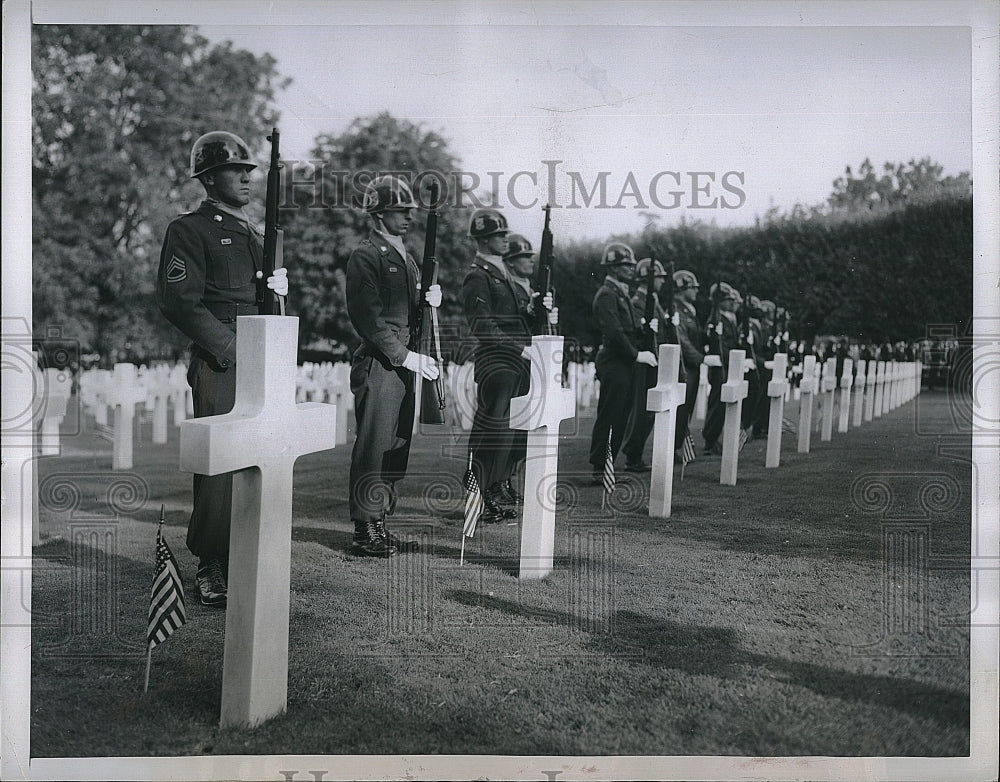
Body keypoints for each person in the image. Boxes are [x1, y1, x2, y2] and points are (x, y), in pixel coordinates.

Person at [156, 130, 289, 606]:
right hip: (223, 359)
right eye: (237, 170)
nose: (247, 178)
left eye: (250, 170)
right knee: (220, 465)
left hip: (264, 357)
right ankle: (212, 559)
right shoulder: (189, 230)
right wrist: (233, 348)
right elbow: (180, 302)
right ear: (210, 179)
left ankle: (249, 551)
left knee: (261, 458)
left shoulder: (260, 233)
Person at [345, 175, 442, 557]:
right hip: (382, 363)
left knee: (396, 444)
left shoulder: (409, 261)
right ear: (379, 213)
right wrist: (405, 356)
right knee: (374, 445)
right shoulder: (366, 255)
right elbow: (367, 319)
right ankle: (364, 526)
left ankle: (381, 520)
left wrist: (429, 298)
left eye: (409, 211)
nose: (408, 217)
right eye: (400, 211)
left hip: (404, 363)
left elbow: (412, 313)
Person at [462, 214, 554, 523]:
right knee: (493, 431)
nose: (505, 238)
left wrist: (535, 310)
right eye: (498, 234)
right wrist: (518, 347)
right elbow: (482, 324)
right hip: (496, 365)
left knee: (509, 432)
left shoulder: (500, 272)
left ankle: (493, 490)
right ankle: (480, 495)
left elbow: (514, 319)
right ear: (483, 239)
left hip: (514, 365)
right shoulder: (479, 275)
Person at [588, 243, 658, 484]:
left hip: (623, 363)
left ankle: (608, 463)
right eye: (625, 265)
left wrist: (645, 330)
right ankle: (599, 466)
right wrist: (636, 354)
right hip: (614, 363)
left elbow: (628, 328)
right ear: (613, 268)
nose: (630, 268)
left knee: (620, 416)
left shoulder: (621, 292)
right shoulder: (607, 294)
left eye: (630, 264)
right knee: (610, 415)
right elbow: (615, 332)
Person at [502, 234, 559, 503]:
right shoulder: (510, 287)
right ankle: (498, 482)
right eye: (522, 257)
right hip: (514, 361)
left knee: (521, 434)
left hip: (531, 363)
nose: (529, 261)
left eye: (529, 256)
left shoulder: (529, 288)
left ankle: (506, 479)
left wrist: (548, 314)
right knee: (507, 429)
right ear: (510, 262)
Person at [621, 258, 666, 471]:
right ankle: (633, 454)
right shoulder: (637, 301)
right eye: (658, 277)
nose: (662, 281)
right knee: (641, 410)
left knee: (648, 411)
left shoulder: (653, 301)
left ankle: (635, 453)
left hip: (654, 359)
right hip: (643, 361)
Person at [701, 281, 741, 456]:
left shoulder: (726, 317)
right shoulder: (716, 318)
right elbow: (717, 343)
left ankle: (714, 437)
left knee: (721, 403)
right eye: (727, 299)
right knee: (716, 403)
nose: (730, 302)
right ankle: (710, 439)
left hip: (727, 364)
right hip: (720, 366)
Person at [671, 269, 704, 446]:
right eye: (693, 287)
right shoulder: (678, 310)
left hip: (691, 367)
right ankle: (674, 447)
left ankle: (677, 445)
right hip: (684, 367)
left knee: (687, 409)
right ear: (683, 289)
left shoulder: (689, 310)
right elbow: (682, 340)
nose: (696, 291)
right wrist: (701, 359)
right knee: (681, 410)